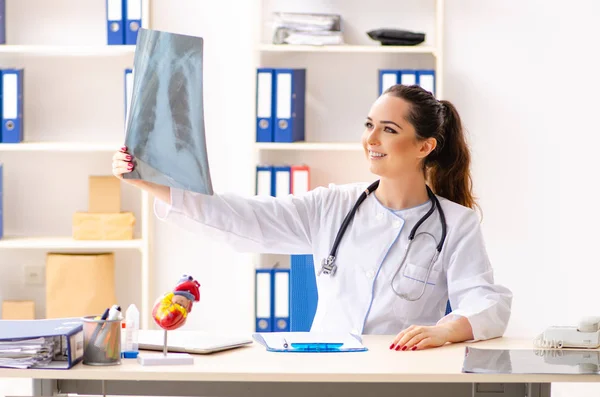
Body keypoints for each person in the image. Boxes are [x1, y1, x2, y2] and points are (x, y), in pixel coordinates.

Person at [112, 84, 512, 351]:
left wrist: (443, 330)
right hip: (323, 370)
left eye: (388, 129)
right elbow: (241, 217)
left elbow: (486, 303)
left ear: (425, 145)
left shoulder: (456, 224)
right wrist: (148, 182)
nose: (371, 140)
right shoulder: (331, 206)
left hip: (400, 375)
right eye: (369, 125)